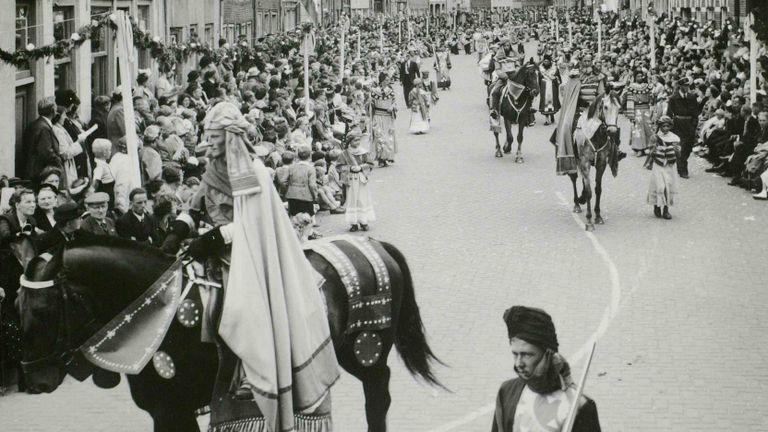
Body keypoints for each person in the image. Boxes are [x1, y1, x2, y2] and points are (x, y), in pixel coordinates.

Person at [163, 102, 338, 432]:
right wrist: (179, 230)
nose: (206, 140)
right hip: (213, 249)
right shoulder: (214, 165)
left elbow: (252, 224)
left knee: (242, 308)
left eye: (212, 135)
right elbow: (197, 204)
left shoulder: (252, 171)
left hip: (246, 253)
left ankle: (248, 373)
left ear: (229, 137)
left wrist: (213, 239)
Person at [492, 306, 601, 431]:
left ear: (548, 354)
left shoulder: (579, 406)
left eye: (527, 355)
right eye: (515, 354)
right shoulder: (507, 392)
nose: (518, 364)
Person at [645, 116, 680, 220]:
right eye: (663, 126)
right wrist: (657, 150)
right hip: (659, 164)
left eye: (667, 126)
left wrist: (675, 150)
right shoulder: (655, 137)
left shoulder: (675, 138)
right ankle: (656, 206)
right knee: (659, 186)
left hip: (670, 165)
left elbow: (679, 154)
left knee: (668, 186)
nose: (665, 128)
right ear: (659, 126)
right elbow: (650, 151)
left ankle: (666, 210)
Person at [340, 129, 375, 231]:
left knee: (362, 199)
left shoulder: (363, 152)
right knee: (352, 201)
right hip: (350, 180)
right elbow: (339, 166)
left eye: (359, 140)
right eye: (355, 140)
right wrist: (349, 168)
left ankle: (363, 221)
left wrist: (361, 168)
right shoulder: (344, 154)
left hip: (361, 179)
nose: (358, 143)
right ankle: (353, 223)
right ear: (349, 141)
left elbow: (370, 164)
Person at [666, 78, 699, 179]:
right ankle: (683, 170)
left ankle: (682, 162)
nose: (686, 87)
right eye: (684, 85)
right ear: (680, 86)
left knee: (688, 147)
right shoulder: (673, 98)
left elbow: (696, 113)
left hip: (689, 125)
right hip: (678, 125)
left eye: (688, 86)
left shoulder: (692, 97)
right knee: (681, 147)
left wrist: (694, 124)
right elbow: (669, 114)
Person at [22, 97, 61, 181]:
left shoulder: (33, 124)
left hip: (31, 171)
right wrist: (59, 163)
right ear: (53, 110)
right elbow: (47, 153)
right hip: (41, 174)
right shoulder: (44, 128)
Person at [371, 72, 398, 167]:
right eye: (386, 80)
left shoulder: (390, 90)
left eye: (389, 80)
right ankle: (380, 158)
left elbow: (394, 102)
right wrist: (370, 104)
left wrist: (392, 106)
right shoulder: (374, 91)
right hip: (378, 116)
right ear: (382, 80)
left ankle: (387, 157)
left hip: (387, 117)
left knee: (388, 137)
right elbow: (371, 105)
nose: (388, 81)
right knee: (379, 137)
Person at [538, 54, 562, 125]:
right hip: (544, 87)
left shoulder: (555, 69)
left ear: (550, 62)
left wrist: (555, 79)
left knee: (552, 102)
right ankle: (546, 119)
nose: (546, 63)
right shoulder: (541, 69)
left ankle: (552, 115)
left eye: (547, 61)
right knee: (545, 103)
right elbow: (539, 79)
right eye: (544, 61)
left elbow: (559, 79)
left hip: (552, 87)